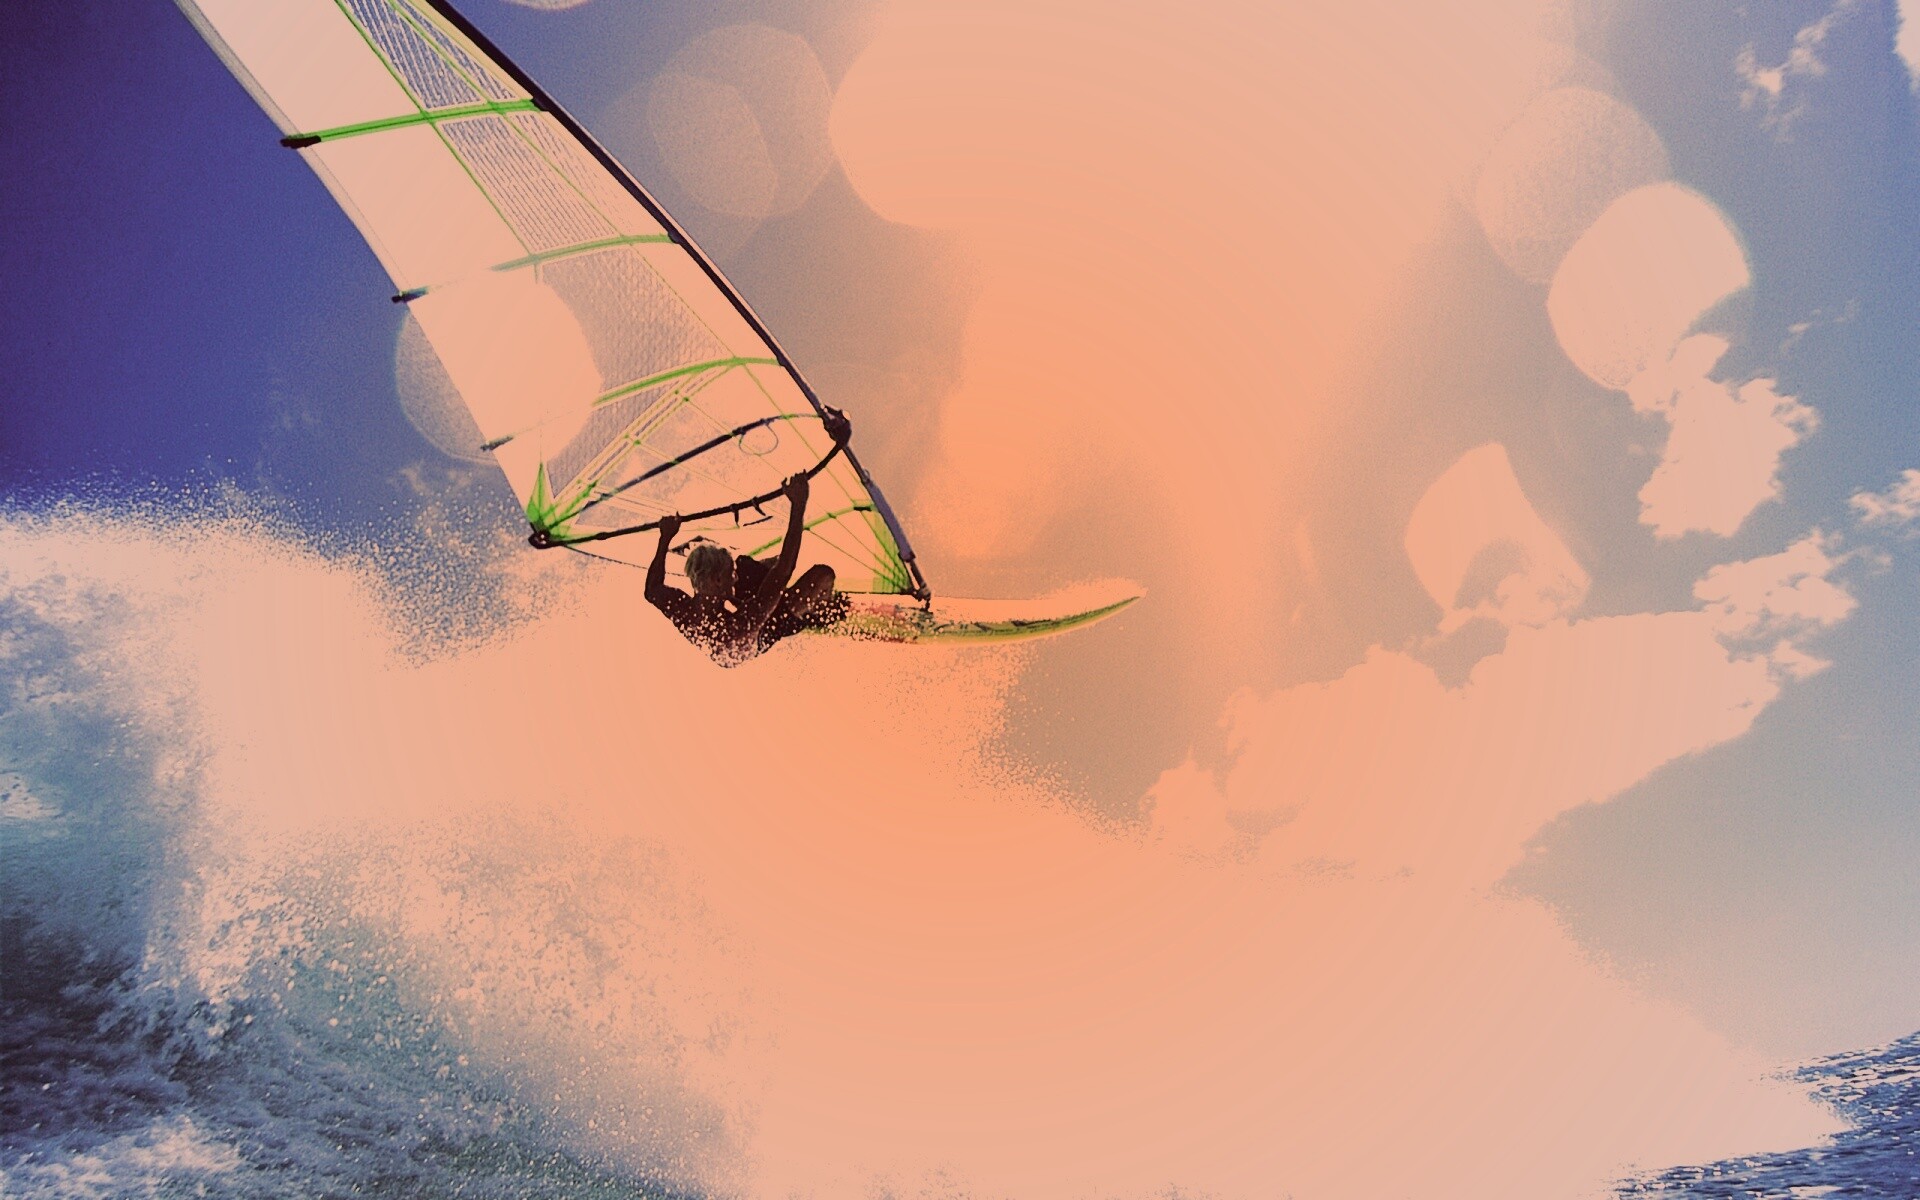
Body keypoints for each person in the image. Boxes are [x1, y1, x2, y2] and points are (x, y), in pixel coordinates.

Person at [645, 408, 852, 664]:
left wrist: (665, 538)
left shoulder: (683, 607)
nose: (734, 577)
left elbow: (652, 590)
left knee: (745, 564)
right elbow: (783, 572)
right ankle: (821, 613)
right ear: (717, 579)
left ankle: (771, 576)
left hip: (730, 607)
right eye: (730, 574)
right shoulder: (742, 625)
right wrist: (798, 505)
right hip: (765, 630)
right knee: (822, 574)